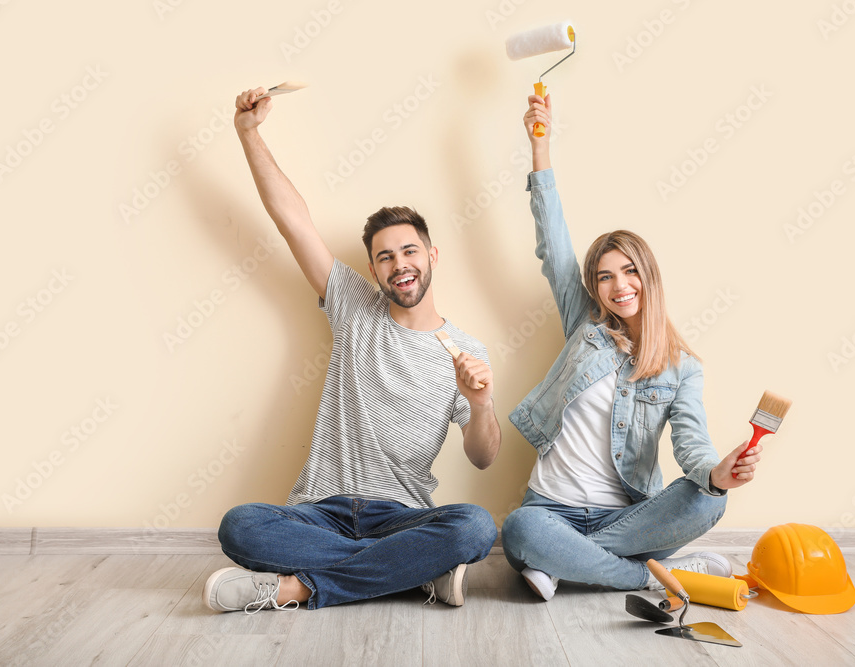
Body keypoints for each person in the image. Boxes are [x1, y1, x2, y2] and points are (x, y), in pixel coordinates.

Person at [204, 86, 501, 613]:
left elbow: (483, 458)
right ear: (372, 270)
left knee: (475, 526)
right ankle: (409, 573)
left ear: (432, 255)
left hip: (402, 513)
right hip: (319, 509)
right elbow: (292, 219)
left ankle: (300, 587)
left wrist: (480, 405)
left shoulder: (464, 350)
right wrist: (249, 134)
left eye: (409, 250)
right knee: (241, 526)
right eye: (385, 257)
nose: (399, 264)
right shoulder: (353, 305)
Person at [501, 93, 763, 601]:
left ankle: (565, 563)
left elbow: (691, 444)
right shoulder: (586, 325)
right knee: (520, 530)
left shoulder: (683, 368)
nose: (617, 285)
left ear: (648, 275)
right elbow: (552, 239)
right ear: (593, 288)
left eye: (628, 271)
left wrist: (716, 472)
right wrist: (540, 147)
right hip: (548, 510)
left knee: (710, 500)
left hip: (626, 517)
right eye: (603, 277)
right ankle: (646, 575)